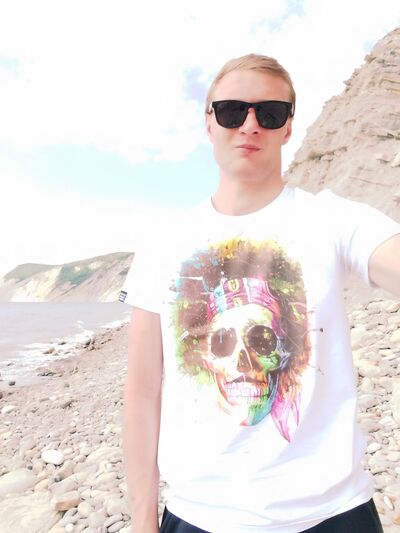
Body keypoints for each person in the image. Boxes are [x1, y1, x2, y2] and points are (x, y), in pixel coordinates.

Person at [121, 54, 400, 533]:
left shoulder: (333, 220)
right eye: (232, 110)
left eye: (269, 113)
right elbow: (142, 392)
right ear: (209, 122)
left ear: (288, 127)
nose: (250, 125)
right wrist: (143, 521)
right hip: (199, 516)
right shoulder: (163, 243)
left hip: (334, 514)